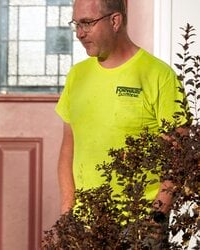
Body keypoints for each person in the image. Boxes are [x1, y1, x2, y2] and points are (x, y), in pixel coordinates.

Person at [55, 0, 186, 217]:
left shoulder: (159, 76)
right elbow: (68, 147)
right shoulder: (77, 75)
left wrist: (155, 219)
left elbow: (176, 156)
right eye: (76, 24)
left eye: (87, 23)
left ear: (115, 21)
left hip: (139, 224)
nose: (79, 33)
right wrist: (68, 211)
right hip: (86, 223)